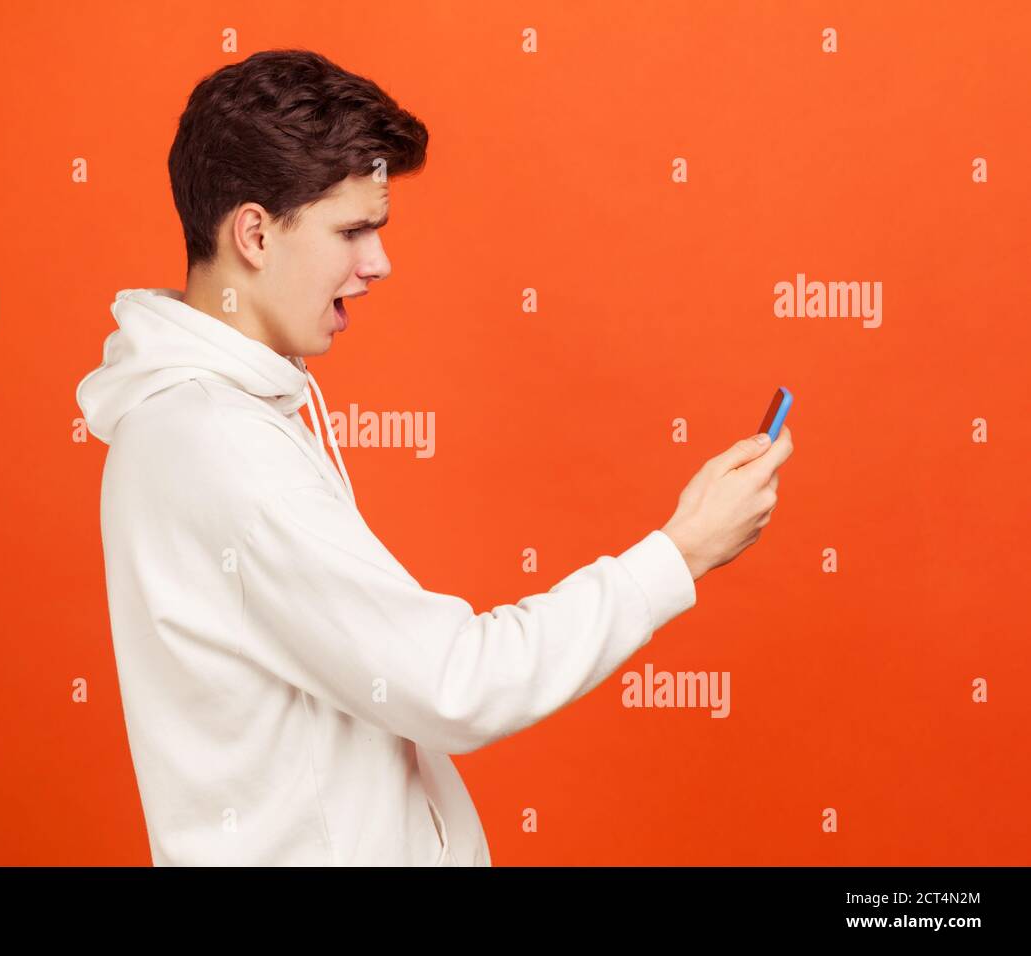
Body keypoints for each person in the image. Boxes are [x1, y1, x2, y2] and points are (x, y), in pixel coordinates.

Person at [75, 48, 793, 866]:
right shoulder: (217, 446)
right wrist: (681, 553)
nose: (378, 262)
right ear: (254, 233)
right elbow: (456, 683)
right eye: (351, 230)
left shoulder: (223, 416)